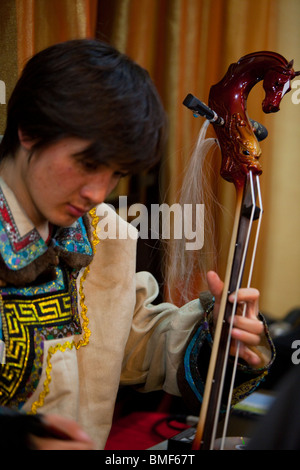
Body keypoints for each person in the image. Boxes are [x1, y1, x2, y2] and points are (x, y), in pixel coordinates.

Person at [0, 39, 274, 450]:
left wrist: (220, 338)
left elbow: (132, 342)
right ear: (28, 131)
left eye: (116, 174)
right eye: (88, 164)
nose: (98, 192)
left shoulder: (103, 232)